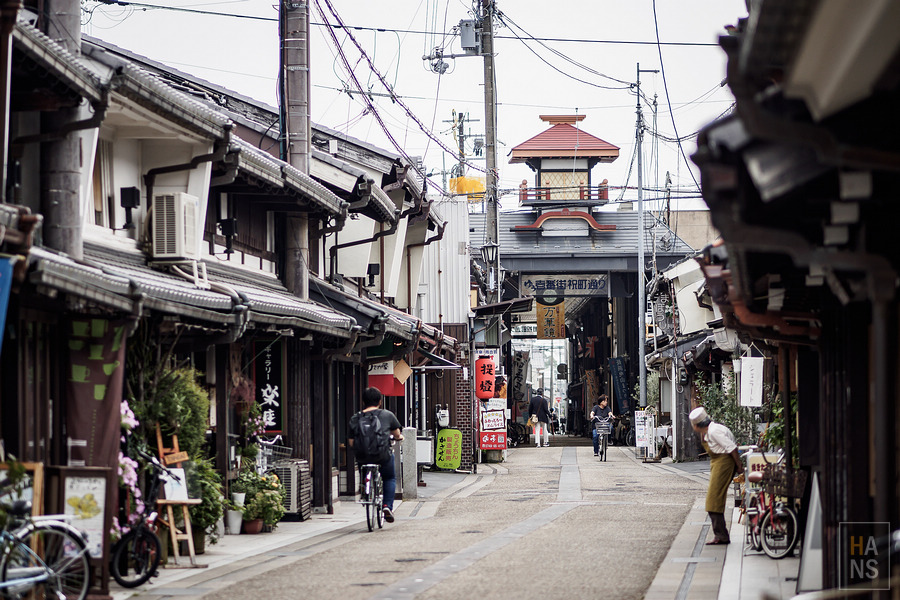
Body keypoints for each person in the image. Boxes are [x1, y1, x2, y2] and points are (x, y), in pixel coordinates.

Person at [348, 387, 404, 523]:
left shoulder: (356, 418)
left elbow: (351, 442)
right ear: (380, 401)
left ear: (363, 402)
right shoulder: (387, 415)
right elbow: (397, 434)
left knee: (363, 466)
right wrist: (399, 438)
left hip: (363, 456)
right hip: (382, 454)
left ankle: (364, 487)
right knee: (390, 477)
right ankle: (387, 506)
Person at [690, 406, 744, 544]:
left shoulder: (713, 431)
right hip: (718, 462)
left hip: (724, 462)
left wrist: (739, 467)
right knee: (714, 498)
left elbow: (731, 447)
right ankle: (720, 534)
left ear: (696, 425)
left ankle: (721, 535)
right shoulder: (711, 430)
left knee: (714, 498)